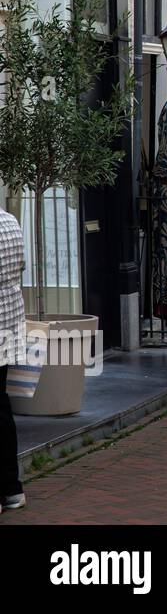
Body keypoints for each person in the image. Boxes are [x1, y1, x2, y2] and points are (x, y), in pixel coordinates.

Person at [0, 209, 25, 514]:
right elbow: (19, 267)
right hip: (9, 325)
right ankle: (12, 488)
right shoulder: (10, 221)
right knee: (2, 407)